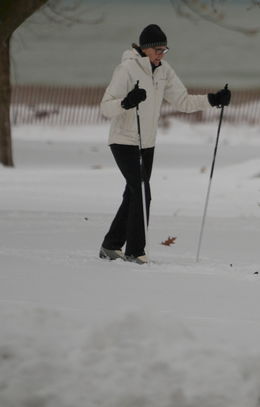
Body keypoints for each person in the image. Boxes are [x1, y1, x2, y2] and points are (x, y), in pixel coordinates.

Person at [99, 24, 230, 264]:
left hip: (147, 143)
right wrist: (127, 102)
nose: (161, 54)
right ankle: (135, 252)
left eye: (164, 50)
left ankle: (111, 245)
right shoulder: (127, 69)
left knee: (133, 193)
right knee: (141, 192)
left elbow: (183, 101)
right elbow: (106, 106)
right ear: (145, 49)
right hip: (124, 140)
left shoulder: (164, 71)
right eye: (158, 49)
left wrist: (213, 100)